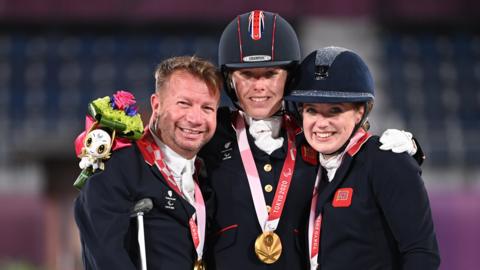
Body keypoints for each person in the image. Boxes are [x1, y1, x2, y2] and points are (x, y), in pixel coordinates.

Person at [200, 10, 421, 270]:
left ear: (290, 77)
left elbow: (366, 167)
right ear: (229, 80)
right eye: (247, 75)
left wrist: (410, 153)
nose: (258, 86)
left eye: (271, 74)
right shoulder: (209, 134)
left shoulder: (314, 136)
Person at [284, 46, 440, 270]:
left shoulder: (386, 161)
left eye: (334, 110)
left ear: (361, 111)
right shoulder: (307, 164)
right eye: (311, 110)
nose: (321, 123)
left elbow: (422, 254)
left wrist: (410, 154)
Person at [74, 56, 222, 269]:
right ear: (157, 104)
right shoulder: (117, 166)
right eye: (184, 103)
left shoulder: (207, 174)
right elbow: (107, 258)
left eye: (207, 108)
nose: (196, 118)